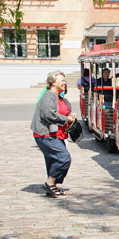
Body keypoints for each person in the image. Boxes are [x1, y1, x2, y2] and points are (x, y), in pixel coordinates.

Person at [31, 70, 77, 198]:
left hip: (57, 134)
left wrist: (69, 116)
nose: (64, 82)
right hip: (46, 135)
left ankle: (52, 187)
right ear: (53, 82)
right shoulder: (48, 95)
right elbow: (49, 114)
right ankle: (49, 183)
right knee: (63, 158)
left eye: (64, 80)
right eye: (61, 80)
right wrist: (66, 119)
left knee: (53, 160)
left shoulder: (58, 96)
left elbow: (61, 111)